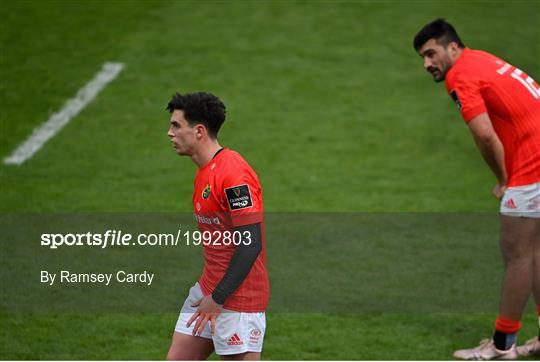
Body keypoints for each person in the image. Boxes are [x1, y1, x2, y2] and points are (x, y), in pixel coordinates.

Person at [413, 19, 540, 360]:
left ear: (452, 47)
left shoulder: (460, 75)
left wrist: (503, 177)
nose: (427, 64)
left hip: (534, 163)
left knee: (517, 253)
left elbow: (484, 135)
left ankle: (502, 345)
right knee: (534, 250)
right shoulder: (481, 59)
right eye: (422, 58)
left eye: (430, 54)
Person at [165, 92, 270, 360]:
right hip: (208, 290)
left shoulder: (234, 175)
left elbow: (250, 244)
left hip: (237, 301)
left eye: (176, 125)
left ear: (199, 131)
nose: (169, 133)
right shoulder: (206, 171)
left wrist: (218, 298)